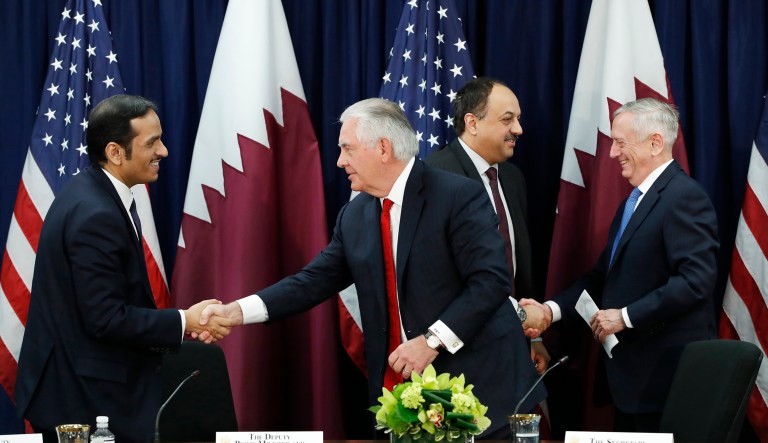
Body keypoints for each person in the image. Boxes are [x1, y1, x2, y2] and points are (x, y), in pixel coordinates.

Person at [198, 98, 545, 439]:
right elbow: (312, 281)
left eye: (347, 149)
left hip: (481, 392)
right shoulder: (356, 214)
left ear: (382, 148)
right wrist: (235, 313)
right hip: (402, 398)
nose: (339, 161)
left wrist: (432, 340)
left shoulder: (457, 195)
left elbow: (490, 282)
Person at [14, 94, 231, 443]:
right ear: (116, 152)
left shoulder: (94, 194)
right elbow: (105, 318)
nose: (164, 151)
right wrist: (184, 320)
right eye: (152, 142)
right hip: (81, 402)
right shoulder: (95, 213)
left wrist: (183, 323)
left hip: (88, 387)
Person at [521, 97, 719, 432]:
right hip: (633, 382)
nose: (613, 153)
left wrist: (625, 317)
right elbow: (601, 278)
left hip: (666, 383)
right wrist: (550, 311)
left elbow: (695, 281)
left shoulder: (684, 197)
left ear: (655, 143)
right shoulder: (634, 203)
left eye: (620, 142)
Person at [426, 77, 551, 374]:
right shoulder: (435, 176)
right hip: (461, 352)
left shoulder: (512, 178)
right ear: (472, 122)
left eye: (518, 119)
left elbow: (521, 264)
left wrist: (535, 336)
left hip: (513, 342)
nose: (518, 130)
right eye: (508, 119)